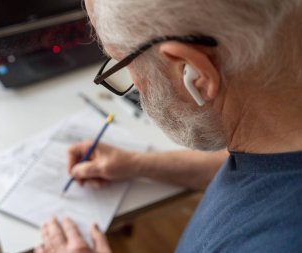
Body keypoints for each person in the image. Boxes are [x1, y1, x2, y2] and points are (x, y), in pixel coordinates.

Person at [35, 0, 302, 252]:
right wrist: (138, 164)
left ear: (194, 72)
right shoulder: (273, 135)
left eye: (123, 62)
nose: (135, 83)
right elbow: (261, 175)